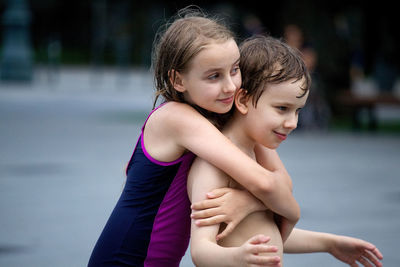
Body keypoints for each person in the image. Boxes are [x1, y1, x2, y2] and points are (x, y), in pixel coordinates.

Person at [87, 7, 299, 267]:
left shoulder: (215, 111)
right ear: (178, 80)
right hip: (124, 260)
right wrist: (256, 201)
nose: (231, 86)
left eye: (234, 69)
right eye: (214, 76)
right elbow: (269, 187)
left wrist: (247, 202)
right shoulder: (177, 118)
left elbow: (282, 184)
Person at [188, 35, 383, 267]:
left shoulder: (257, 153)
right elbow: (200, 250)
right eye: (282, 108)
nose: (293, 123)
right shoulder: (214, 166)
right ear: (243, 100)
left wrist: (329, 244)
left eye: (298, 111)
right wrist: (238, 257)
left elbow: (266, 232)